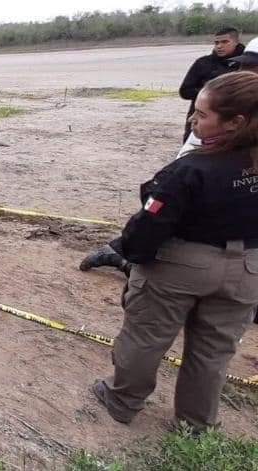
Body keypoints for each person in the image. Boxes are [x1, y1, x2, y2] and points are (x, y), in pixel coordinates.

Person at [92, 72, 258, 433]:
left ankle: (121, 400)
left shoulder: (190, 168)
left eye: (201, 114)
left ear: (236, 121)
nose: (192, 120)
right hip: (247, 269)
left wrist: (133, 255)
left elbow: (149, 225)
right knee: (213, 352)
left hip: (183, 265)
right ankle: (196, 424)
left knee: (146, 338)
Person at [81, 38, 258, 273]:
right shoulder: (199, 154)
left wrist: (132, 251)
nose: (245, 74)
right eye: (243, 68)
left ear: (235, 123)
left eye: (253, 68)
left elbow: (159, 214)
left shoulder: (195, 168)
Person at [178, 27, 243, 142]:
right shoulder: (203, 63)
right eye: (216, 42)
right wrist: (210, 94)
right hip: (201, 120)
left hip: (233, 122)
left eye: (225, 42)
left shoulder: (245, 64)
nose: (219, 46)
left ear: (236, 42)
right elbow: (185, 91)